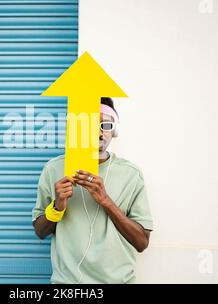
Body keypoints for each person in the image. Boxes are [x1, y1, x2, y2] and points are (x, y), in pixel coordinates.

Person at [32, 97, 154, 284]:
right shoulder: (53, 169)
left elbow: (142, 243)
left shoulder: (131, 174)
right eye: (91, 124)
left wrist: (105, 200)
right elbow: (40, 231)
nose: (99, 133)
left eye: (105, 125)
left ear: (115, 131)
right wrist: (57, 207)